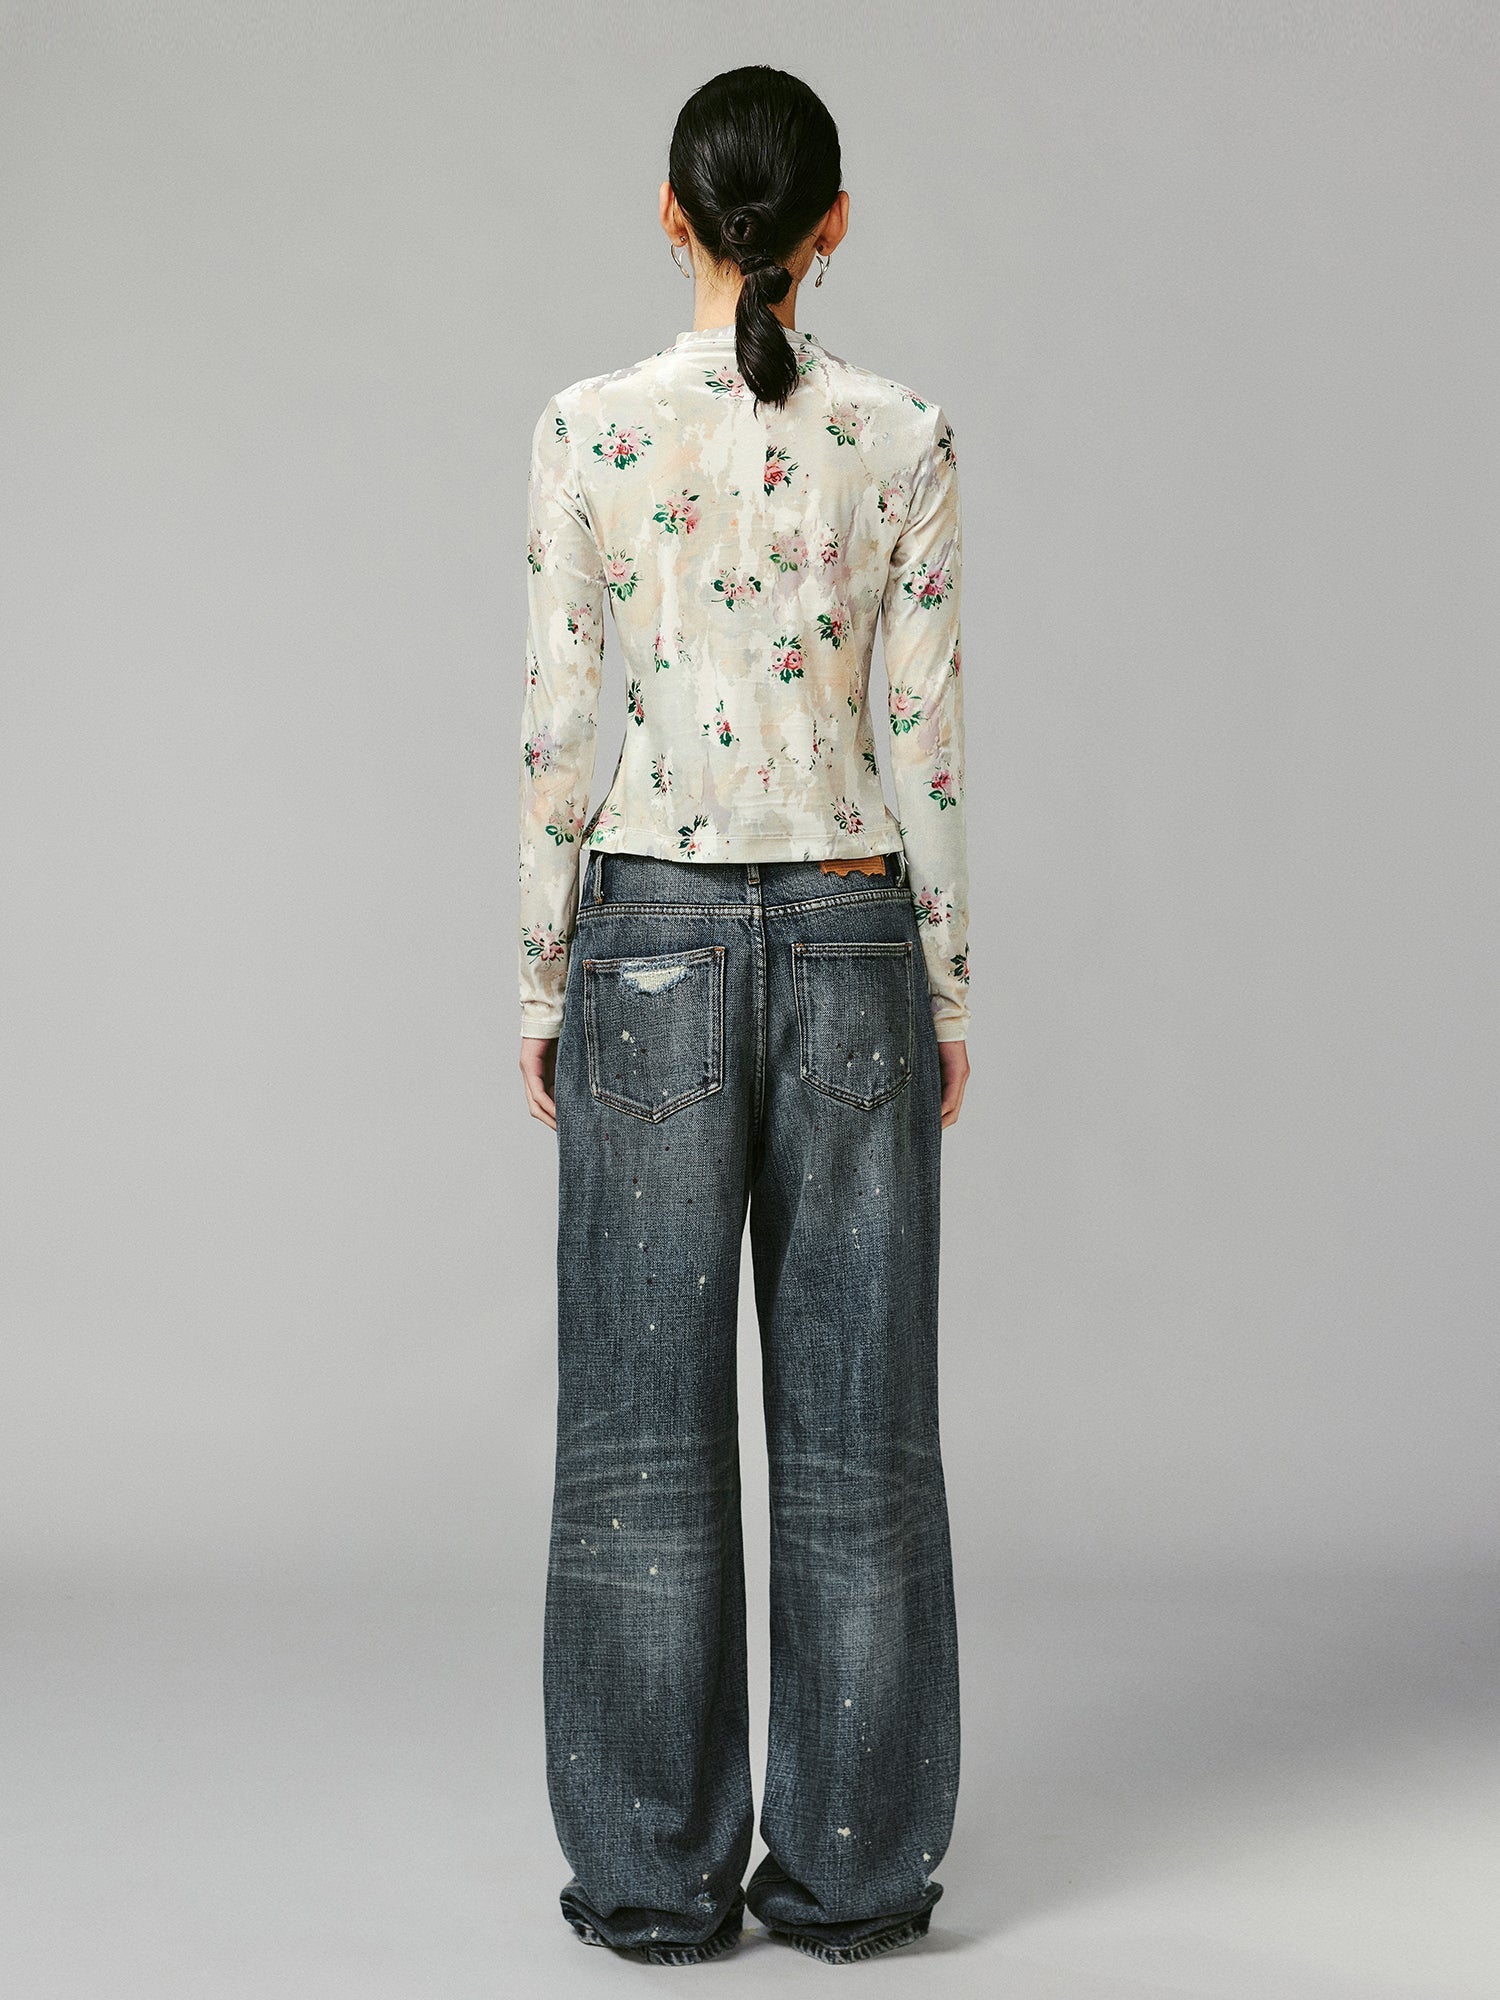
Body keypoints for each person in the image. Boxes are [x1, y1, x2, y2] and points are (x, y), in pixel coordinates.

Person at [515, 64, 969, 1967]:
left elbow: (562, 728)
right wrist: (943, 983)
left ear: (672, 214)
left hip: (647, 937)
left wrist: (541, 973)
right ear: (834, 223)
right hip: (856, 926)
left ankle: (650, 1875)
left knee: (637, 1436)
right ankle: (856, 1875)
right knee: (864, 1436)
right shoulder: (905, 436)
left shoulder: (588, 429)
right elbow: (923, 742)